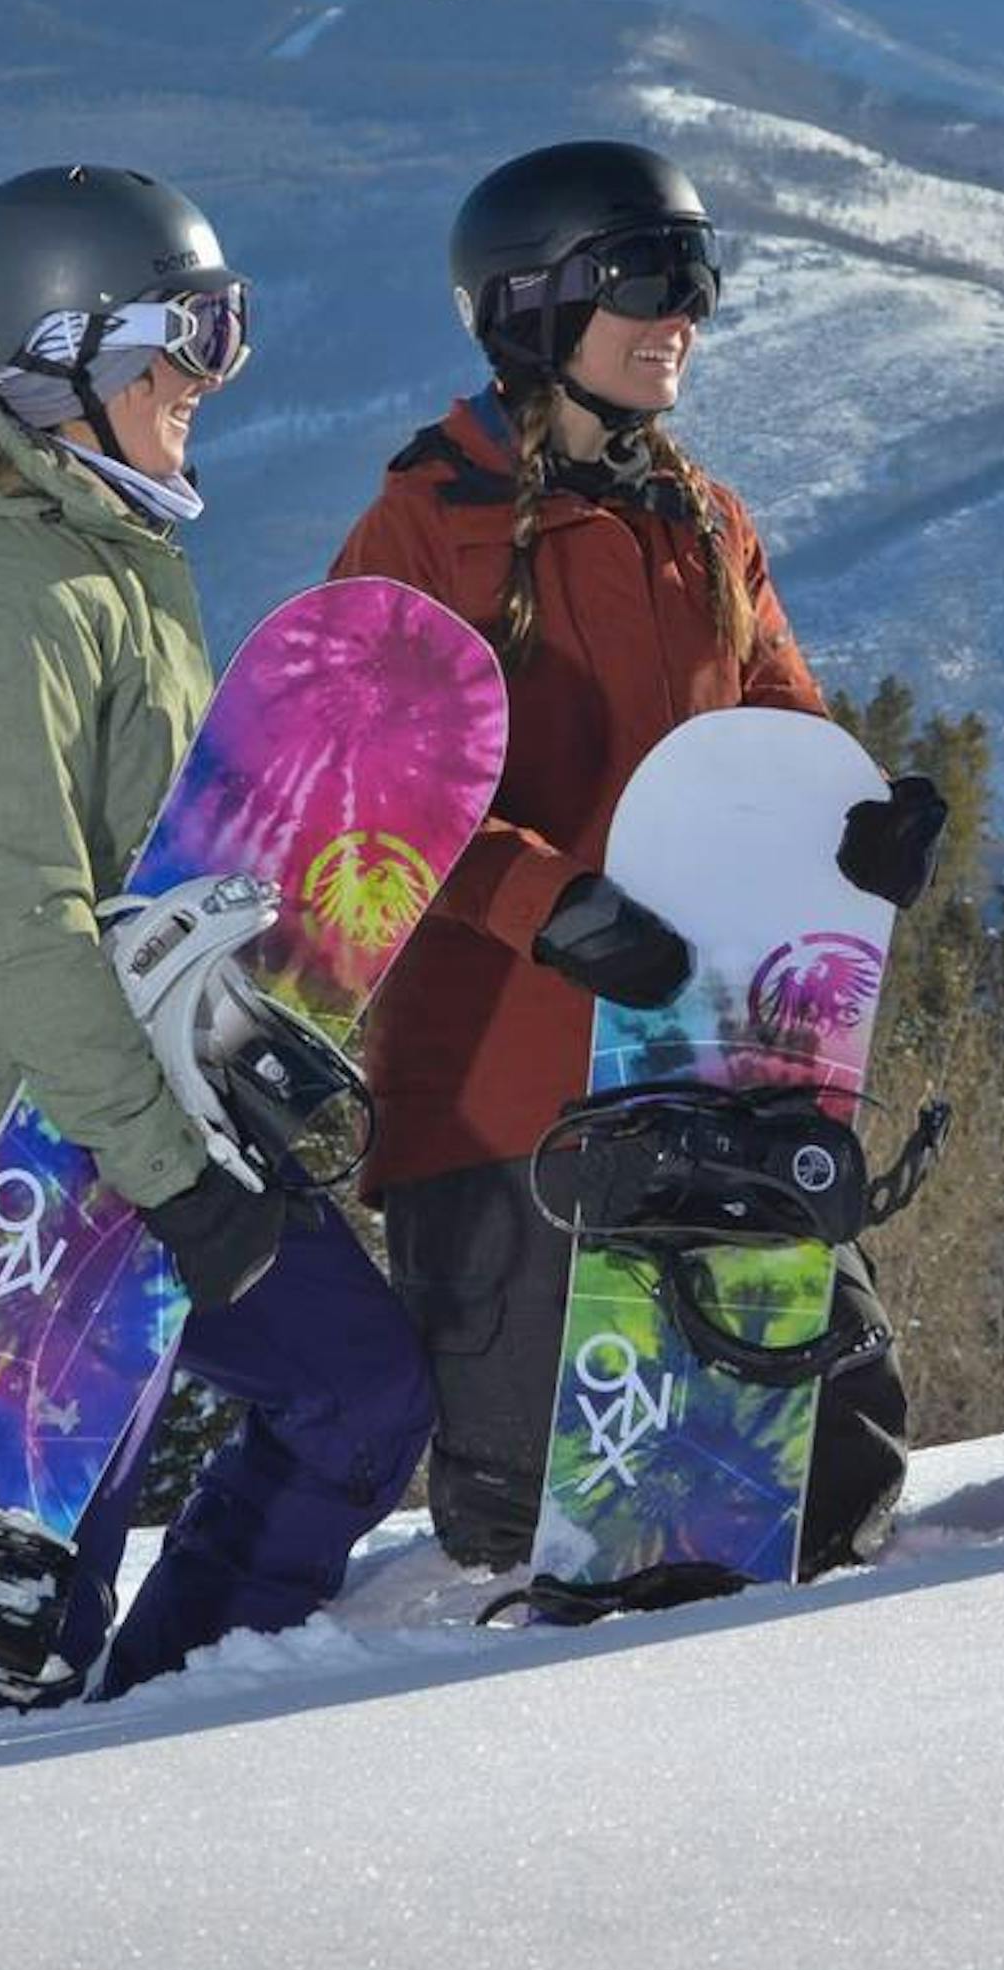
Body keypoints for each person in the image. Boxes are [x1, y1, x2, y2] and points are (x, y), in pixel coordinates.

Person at [0, 161, 433, 1698]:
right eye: (184, 341)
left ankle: (167, 1707)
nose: (208, 378)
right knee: (31, 1598)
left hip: (149, 1112)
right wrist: (172, 1177)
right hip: (27, 1151)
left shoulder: (108, 559)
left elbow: (161, 859)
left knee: (358, 1387)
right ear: (64, 351)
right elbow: (21, 927)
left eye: (224, 334)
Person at [329, 139, 944, 1584]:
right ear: (534, 306)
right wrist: (548, 903)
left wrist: (860, 827)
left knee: (827, 1456)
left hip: (707, 1066)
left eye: (702, 277)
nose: (687, 311)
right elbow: (365, 801)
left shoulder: (706, 524)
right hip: (503, 1104)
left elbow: (779, 730)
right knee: (552, 1511)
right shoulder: (429, 526)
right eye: (648, 277)